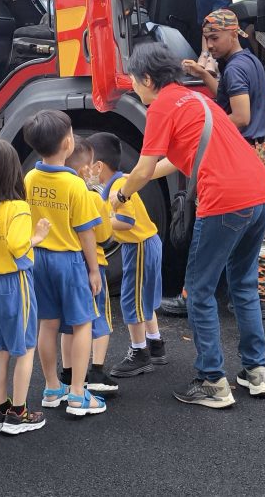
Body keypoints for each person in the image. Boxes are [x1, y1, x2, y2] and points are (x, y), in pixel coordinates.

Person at [110, 43, 265, 409]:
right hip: (261, 193)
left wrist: (119, 195)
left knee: (199, 291)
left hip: (225, 200)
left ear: (147, 79)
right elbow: (170, 161)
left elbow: (145, 167)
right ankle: (255, 371)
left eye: (134, 82)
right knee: (244, 285)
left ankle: (212, 380)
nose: (133, 89)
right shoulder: (195, 100)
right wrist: (134, 179)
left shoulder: (161, 107)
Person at [180, 9, 265, 319]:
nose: (210, 45)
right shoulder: (249, 62)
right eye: (207, 39)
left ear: (234, 34)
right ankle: (255, 295)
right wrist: (205, 75)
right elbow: (233, 99)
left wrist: (208, 134)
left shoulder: (234, 70)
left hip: (240, 153)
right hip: (258, 151)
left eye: (215, 38)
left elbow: (241, 117)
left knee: (223, 225)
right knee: (256, 233)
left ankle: (197, 293)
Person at [23, 110, 107, 416]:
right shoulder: (75, 186)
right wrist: (94, 269)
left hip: (38, 258)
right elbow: (86, 233)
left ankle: (51, 387)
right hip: (68, 261)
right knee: (82, 323)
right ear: (68, 143)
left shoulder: (30, 177)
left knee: (47, 323)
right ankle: (76, 394)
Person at [0, 140, 50, 435]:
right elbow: (19, 247)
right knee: (26, 347)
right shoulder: (18, 207)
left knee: (1, 349)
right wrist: (38, 236)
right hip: (15, 282)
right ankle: (19, 413)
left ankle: (0, 408)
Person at [89, 132, 167, 378]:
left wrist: (100, 222)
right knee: (142, 298)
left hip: (140, 245)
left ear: (98, 166)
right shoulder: (119, 181)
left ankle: (139, 352)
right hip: (147, 243)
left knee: (130, 300)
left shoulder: (118, 186)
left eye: (87, 163)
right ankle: (156, 344)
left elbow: (126, 221)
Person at [58, 136, 119, 394]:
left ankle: (68, 372)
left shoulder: (62, 190)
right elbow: (105, 236)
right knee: (100, 318)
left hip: (69, 264)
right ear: (85, 169)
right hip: (95, 266)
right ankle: (96, 371)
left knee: (69, 322)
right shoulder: (93, 197)